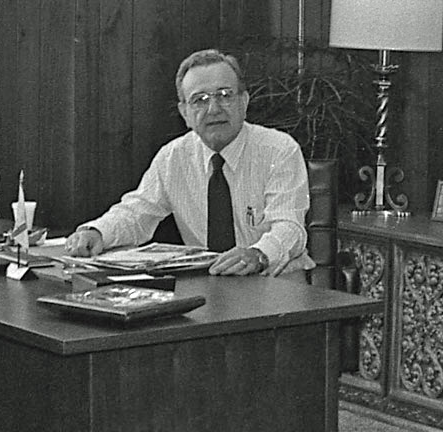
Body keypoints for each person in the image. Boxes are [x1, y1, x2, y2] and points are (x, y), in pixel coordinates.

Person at [64, 49, 314, 277]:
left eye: (225, 95)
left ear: (244, 102)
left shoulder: (279, 150)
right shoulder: (173, 157)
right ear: (185, 113)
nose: (214, 109)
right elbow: (136, 213)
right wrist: (97, 232)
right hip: (209, 287)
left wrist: (258, 254)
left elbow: (290, 228)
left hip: (278, 283)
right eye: (200, 100)